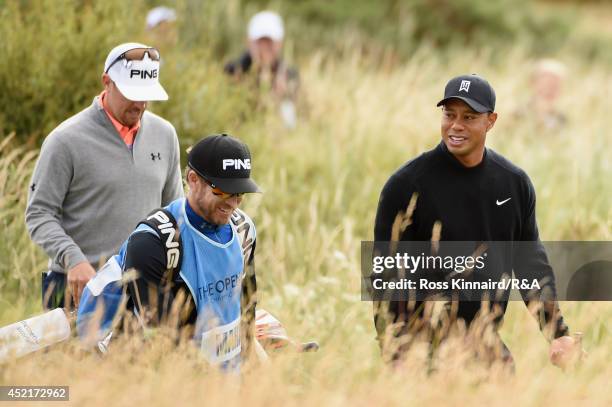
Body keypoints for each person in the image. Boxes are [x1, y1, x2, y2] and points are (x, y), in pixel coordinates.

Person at [373, 74, 581, 369]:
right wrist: (398, 351)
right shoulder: (406, 185)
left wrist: (558, 334)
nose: (456, 125)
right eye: (449, 114)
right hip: (420, 347)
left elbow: (530, 265)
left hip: (483, 341)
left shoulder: (513, 183)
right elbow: (386, 277)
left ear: (491, 121)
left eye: (469, 117)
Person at [76, 134, 260, 369]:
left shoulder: (243, 231)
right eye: (223, 192)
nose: (233, 203)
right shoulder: (153, 243)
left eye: (239, 193)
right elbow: (164, 341)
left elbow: (247, 305)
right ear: (193, 180)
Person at [25, 42, 183, 310]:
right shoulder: (65, 141)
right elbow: (39, 214)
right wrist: (72, 258)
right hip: (76, 288)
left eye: (146, 95)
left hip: (144, 289)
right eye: (131, 93)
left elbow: (174, 214)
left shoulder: (165, 135)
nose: (140, 103)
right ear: (106, 82)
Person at [224, 11, 299, 128]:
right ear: (249, 42)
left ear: (279, 44)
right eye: (260, 42)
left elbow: (291, 125)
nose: (264, 48)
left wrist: (282, 98)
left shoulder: (289, 74)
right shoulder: (233, 70)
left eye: (269, 43)